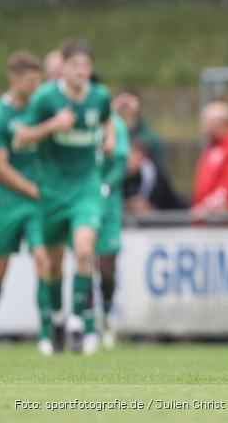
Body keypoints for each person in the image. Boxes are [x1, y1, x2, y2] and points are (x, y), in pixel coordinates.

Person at [14, 40, 115, 355]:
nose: (82, 71)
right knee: (53, 264)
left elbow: (107, 121)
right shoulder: (45, 98)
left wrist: (109, 139)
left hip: (86, 187)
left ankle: (77, 322)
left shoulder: (100, 96)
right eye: (76, 66)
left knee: (84, 250)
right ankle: (56, 317)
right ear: (64, 67)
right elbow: (20, 140)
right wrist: (53, 126)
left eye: (86, 66)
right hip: (53, 190)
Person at [0, 52, 53, 355]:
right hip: (7, 200)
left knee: (42, 257)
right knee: (1, 269)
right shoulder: (1, 114)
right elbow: (1, 166)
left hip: (37, 203)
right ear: (14, 79)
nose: (35, 86)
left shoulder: (40, 109)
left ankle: (45, 333)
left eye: (38, 80)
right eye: (30, 81)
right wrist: (31, 188)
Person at [96, 108, 130, 348]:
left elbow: (120, 164)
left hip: (108, 209)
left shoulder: (115, 125)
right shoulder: (70, 120)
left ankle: (107, 316)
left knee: (106, 271)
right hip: (80, 203)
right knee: (83, 262)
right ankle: (85, 326)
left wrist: (105, 187)